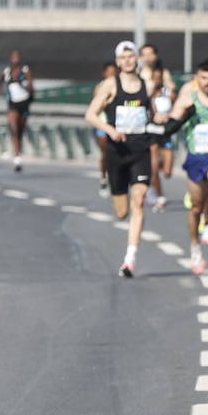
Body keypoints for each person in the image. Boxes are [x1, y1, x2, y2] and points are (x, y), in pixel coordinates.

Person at [83, 41, 162, 277]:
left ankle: (130, 259)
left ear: (137, 59)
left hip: (140, 149)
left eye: (132, 56)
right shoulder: (110, 85)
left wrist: (162, 116)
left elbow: (155, 114)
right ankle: (121, 205)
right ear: (118, 62)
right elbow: (90, 114)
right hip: (117, 152)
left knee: (138, 201)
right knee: (121, 212)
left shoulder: (147, 86)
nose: (128, 60)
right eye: (124, 57)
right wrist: (110, 130)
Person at [166, 59, 208, 275]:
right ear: (197, 78)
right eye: (203, 78)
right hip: (196, 158)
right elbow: (173, 120)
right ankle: (195, 249)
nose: (207, 82)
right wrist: (166, 121)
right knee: (196, 207)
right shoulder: (189, 97)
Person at [148, 60, 176, 212]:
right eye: (155, 77)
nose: (157, 80)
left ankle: (156, 177)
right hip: (152, 133)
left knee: (167, 171)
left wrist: (169, 116)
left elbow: (178, 109)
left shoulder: (168, 93)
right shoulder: (147, 94)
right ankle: (159, 195)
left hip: (165, 134)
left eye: (159, 77)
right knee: (153, 169)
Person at [0, 49, 33, 172]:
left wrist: (20, 83)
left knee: (20, 131)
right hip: (12, 104)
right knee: (14, 128)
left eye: (17, 56)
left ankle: (18, 152)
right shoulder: (7, 71)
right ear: (10, 59)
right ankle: (17, 158)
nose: (15, 59)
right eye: (13, 57)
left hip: (24, 103)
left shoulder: (25, 70)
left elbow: (31, 87)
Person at [95, 61, 119, 195]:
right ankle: (104, 177)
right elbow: (96, 108)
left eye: (113, 73)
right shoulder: (100, 88)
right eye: (109, 73)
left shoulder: (121, 86)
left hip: (118, 125)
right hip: (103, 124)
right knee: (106, 153)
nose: (111, 75)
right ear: (104, 74)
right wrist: (108, 100)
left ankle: (116, 179)